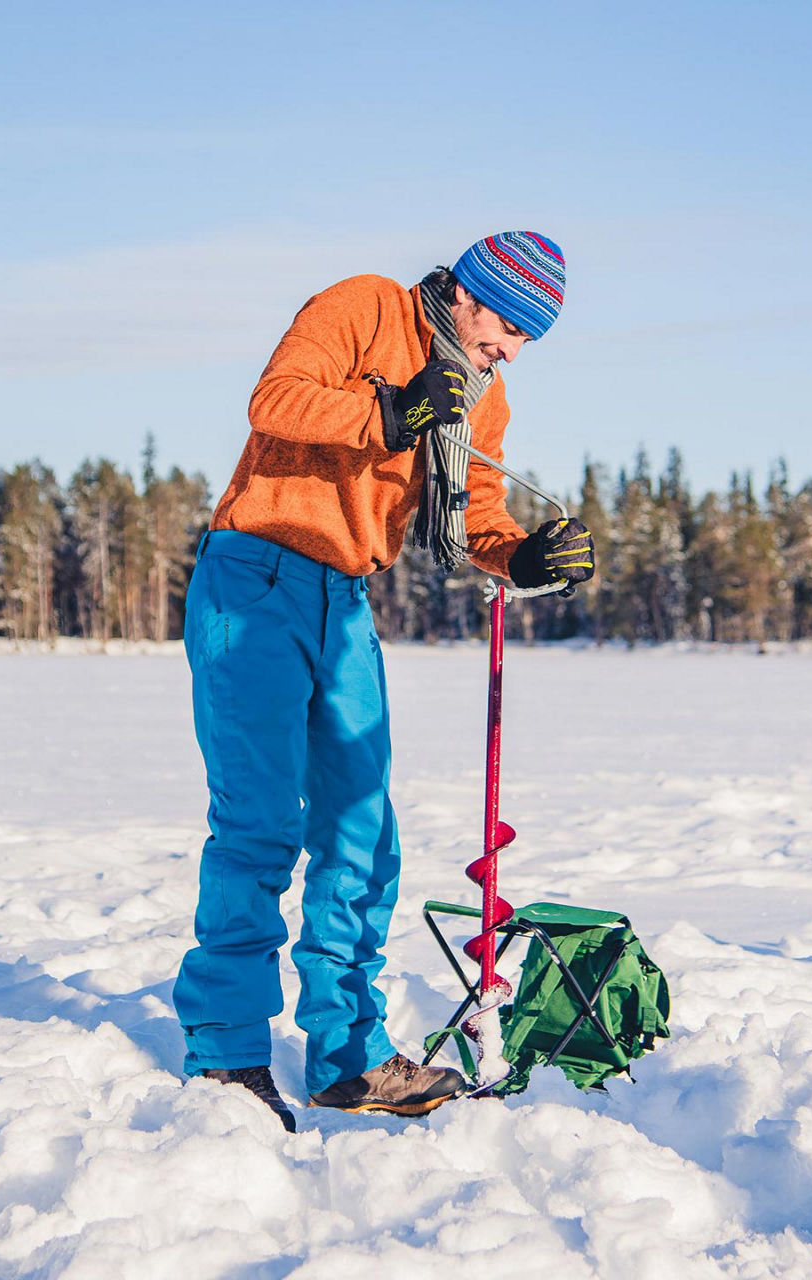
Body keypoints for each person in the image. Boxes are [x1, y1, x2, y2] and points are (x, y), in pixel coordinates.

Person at [173, 231, 595, 1130]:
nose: (512, 350)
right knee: (256, 824)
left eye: (530, 339)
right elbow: (276, 400)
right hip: (255, 576)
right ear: (472, 295)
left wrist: (524, 557)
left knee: (362, 831)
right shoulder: (364, 305)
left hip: (346, 599)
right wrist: (393, 412)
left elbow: (476, 515)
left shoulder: (484, 397)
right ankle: (227, 1051)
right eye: (510, 326)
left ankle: (347, 1056)